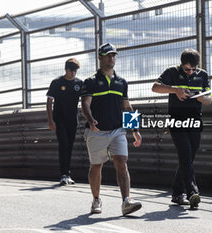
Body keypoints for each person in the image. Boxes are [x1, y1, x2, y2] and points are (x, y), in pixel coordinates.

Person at [81, 43, 142, 216]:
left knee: (121, 162)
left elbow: (126, 106)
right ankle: (96, 199)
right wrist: (91, 120)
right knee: (96, 166)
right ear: (99, 57)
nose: (111, 58)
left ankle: (126, 202)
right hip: (97, 131)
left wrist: (135, 129)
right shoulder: (90, 81)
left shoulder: (121, 82)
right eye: (108, 55)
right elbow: (85, 104)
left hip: (117, 131)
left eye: (114, 55)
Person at [152, 48, 212, 209]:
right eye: (187, 69)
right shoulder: (171, 72)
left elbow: (209, 100)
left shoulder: (203, 75)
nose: (191, 72)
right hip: (177, 120)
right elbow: (155, 87)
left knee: (189, 158)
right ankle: (192, 192)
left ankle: (177, 193)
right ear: (181, 65)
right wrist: (175, 90)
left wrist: (201, 97)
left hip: (195, 121)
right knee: (185, 154)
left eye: (194, 69)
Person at [46, 58, 83, 186]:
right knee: (64, 145)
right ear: (66, 69)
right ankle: (64, 174)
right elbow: (49, 102)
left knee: (70, 146)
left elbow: (86, 101)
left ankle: (68, 174)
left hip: (73, 120)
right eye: (71, 70)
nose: (73, 73)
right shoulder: (56, 82)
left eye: (75, 71)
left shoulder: (79, 83)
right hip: (59, 119)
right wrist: (51, 121)